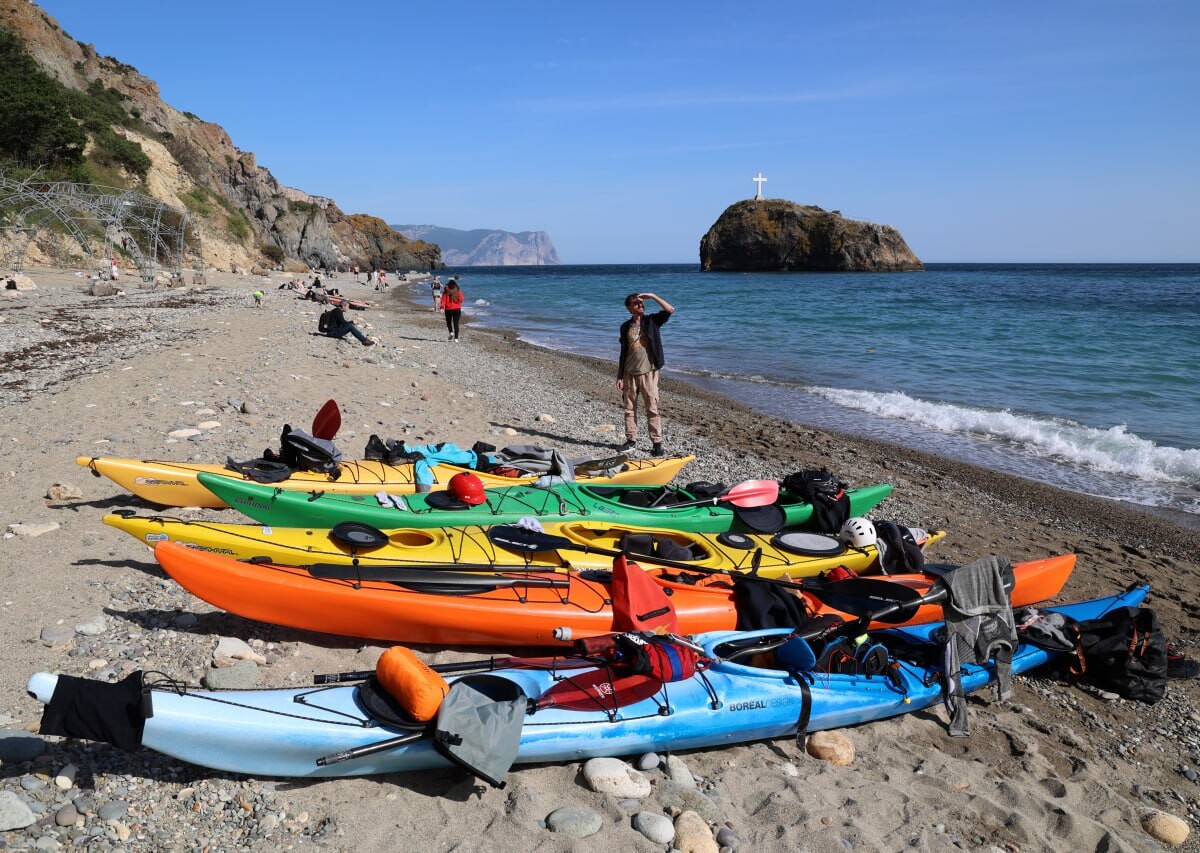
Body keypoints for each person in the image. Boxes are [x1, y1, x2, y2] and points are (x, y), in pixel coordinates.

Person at [616, 292, 675, 456]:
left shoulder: (652, 321)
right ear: (629, 308)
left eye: (642, 303)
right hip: (629, 373)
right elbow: (623, 352)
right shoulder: (625, 326)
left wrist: (653, 296)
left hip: (649, 372)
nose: (640, 305)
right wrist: (620, 376)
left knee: (652, 408)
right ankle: (631, 441)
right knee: (629, 409)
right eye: (636, 303)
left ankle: (656, 443)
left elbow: (670, 310)